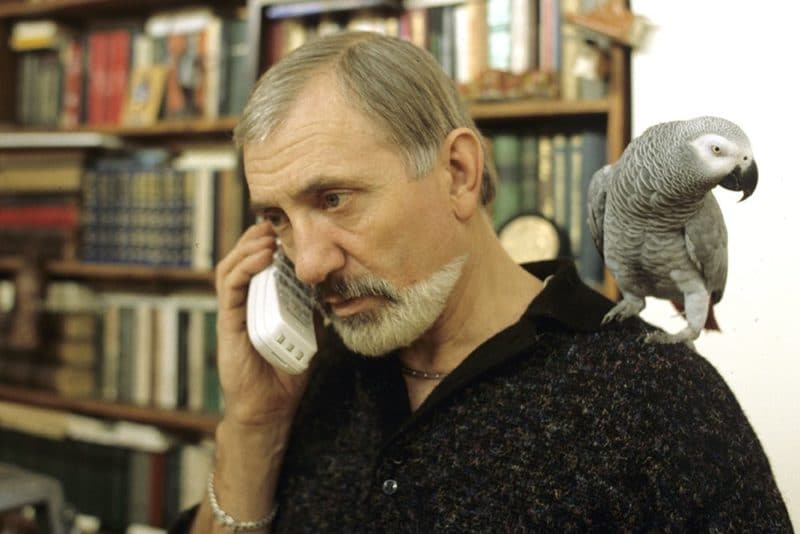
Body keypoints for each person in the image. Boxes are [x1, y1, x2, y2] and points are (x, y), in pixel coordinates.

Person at [172, 31, 791, 532]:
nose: (308, 266)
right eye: (277, 218)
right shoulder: (316, 371)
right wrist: (253, 426)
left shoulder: (658, 400)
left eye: (334, 199)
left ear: (459, 174)